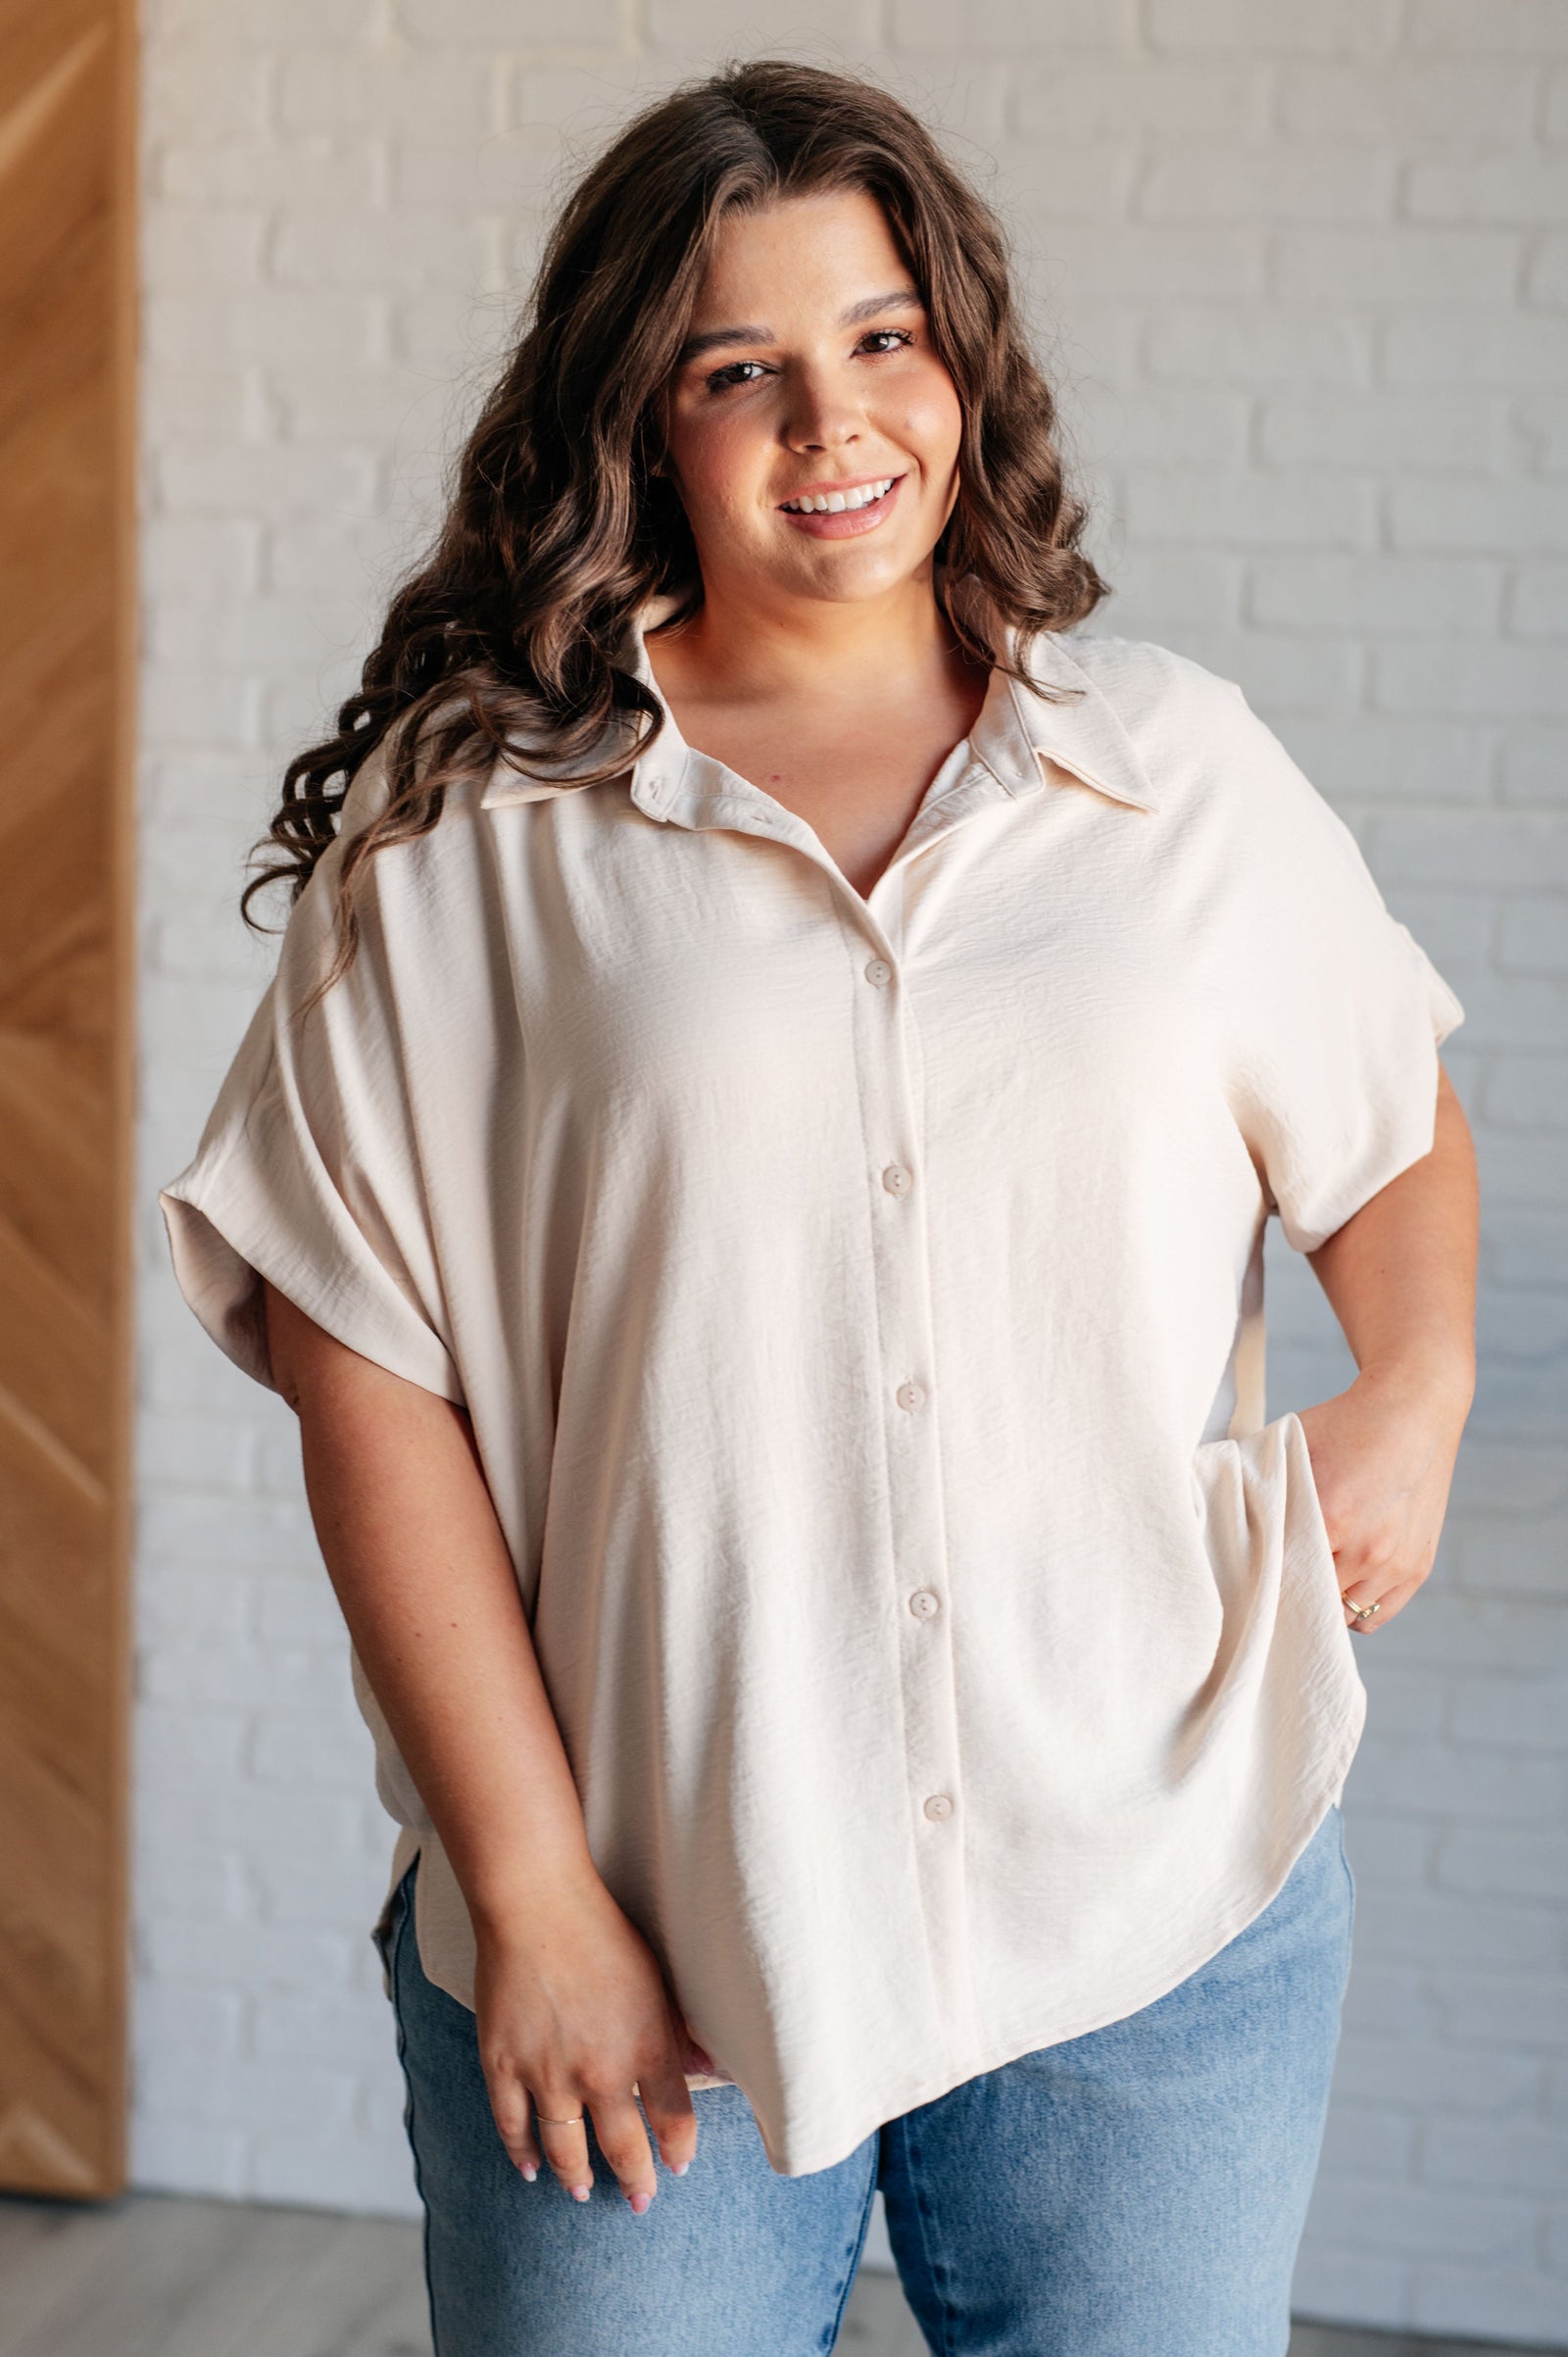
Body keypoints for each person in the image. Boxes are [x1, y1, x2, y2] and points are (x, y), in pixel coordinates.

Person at [159, 59, 1478, 2357]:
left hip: (1147, 1902)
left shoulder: (1167, 765)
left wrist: (1418, 1389)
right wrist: (531, 1894)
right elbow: (363, 1372)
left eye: (880, 336)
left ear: (958, 357)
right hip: (638, 1934)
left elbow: (1385, 1118)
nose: (827, 419)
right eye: (732, 370)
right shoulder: (474, 833)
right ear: (634, 423)